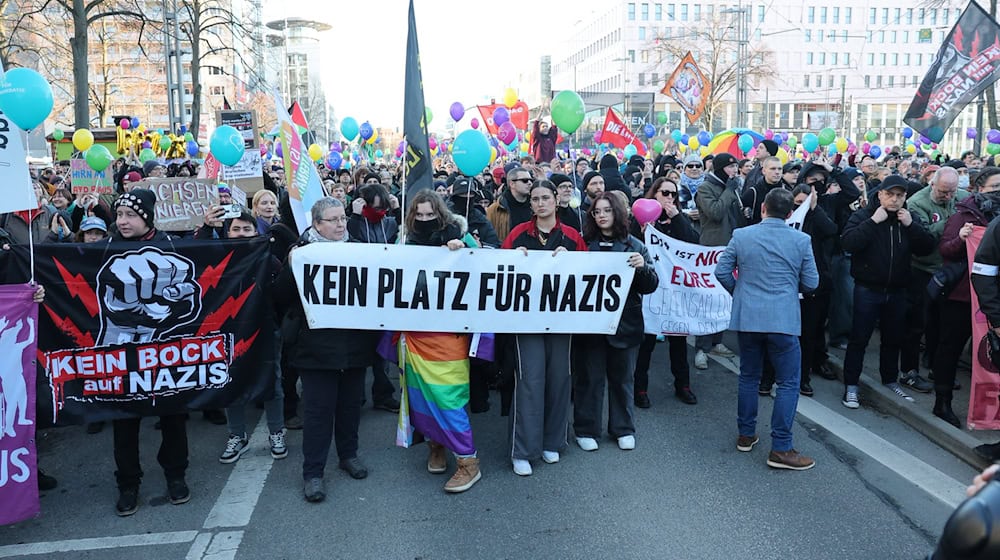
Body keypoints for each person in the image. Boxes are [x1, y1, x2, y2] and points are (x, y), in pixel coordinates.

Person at [277, 197, 376, 502]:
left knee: (349, 407)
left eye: (342, 219)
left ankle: (348, 455)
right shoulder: (301, 254)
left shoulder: (360, 248)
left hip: (354, 345)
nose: (339, 225)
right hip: (316, 348)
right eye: (332, 220)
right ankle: (313, 472)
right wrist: (290, 268)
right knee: (319, 413)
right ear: (316, 224)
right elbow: (279, 297)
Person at [715, 188, 819, 470]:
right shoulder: (800, 240)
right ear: (789, 214)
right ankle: (782, 447)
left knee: (749, 376)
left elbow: (721, 271)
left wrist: (741, 293)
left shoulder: (742, 235)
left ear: (762, 208)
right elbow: (811, 283)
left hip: (748, 317)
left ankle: (746, 434)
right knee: (787, 383)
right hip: (783, 319)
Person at [104, 189, 191, 516]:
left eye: (130, 215)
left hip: (165, 355)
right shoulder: (106, 248)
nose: (122, 221)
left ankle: (176, 476)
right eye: (120, 215)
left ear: (148, 217)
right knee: (124, 421)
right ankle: (128, 483)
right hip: (121, 355)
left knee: (173, 415)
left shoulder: (170, 246)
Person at [501, 180, 586, 476]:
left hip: (562, 321)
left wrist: (573, 261)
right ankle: (523, 450)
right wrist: (514, 259)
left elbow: (590, 276)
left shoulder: (573, 236)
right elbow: (499, 272)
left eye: (545, 198)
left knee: (559, 379)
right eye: (535, 199)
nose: (540, 203)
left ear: (556, 201)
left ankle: (553, 442)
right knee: (529, 380)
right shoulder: (517, 234)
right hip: (526, 322)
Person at [400, 191, 482, 493]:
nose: (424, 220)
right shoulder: (404, 240)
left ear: (440, 213)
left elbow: (486, 257)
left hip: (449, 334)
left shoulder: (458, 231)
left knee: (449, 398)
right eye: (418, 215)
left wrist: (464, 249)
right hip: (415, 334)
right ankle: (436, 445)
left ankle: (467, 462)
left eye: (429, 214)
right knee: (420, 396)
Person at [840, 175, 935, 409]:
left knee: (893, 339)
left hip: (898, 290)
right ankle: (851, 385)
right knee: (859, 339)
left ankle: (890, 380)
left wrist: (911, 226)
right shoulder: (864, 215)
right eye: (890, 194)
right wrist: (873, 222)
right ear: (880, 194)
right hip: (867, 289)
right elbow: (848, 243)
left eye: (899, 196)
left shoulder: (906, 218)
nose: (894, 200)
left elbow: (927, 247)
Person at [573, 192, 657, 452]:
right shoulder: (584, 244)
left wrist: (643, 267)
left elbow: (651, 285)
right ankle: (586, 428)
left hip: (626, 323)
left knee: (623, 379)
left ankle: (623, 428)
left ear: (617, 212)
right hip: (591, 325)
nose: (601, 216)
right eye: (597, 212)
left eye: (606, 210)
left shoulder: (635, 245)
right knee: (589, 378)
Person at [934, 167, 1000, 429]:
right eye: (994, 188)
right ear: (979, 189)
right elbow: (945, 250)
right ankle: (943, 400)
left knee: (990, 355)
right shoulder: (964, 215)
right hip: (962, 297)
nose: (998, 193)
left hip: (992, 302)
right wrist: (962, 240)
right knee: (950, 348)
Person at [632, 177, 700, 408]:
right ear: (654, 195)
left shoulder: (677, 220)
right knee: (647, 342)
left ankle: (683, 386)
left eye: (673, 194)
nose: (670, 198)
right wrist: (645, 230)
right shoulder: (642, 218)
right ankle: (639, 388)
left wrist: (677, 218)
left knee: (678, 343)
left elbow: (693, 243)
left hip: (674, 292)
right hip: (650, 290)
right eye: (665, 193)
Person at [693, 153, 744, 369]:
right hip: (712, 248)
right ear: (722, 168)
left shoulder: (732, 187)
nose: (735, 171)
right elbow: (715, 212)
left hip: (731, 245)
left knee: (723, 298)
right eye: (731, 167)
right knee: (708, 299)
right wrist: (730, 191)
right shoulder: (705, 188)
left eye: (736, 167)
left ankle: (717, 340)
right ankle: (701, 348)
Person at [486, 166, 534, 243]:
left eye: (531, 180)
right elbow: (491, 238)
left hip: (534, 252)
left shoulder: (535, 206)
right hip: (507, 252)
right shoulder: (495, 209)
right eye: (524, 180)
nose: (529, 183)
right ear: (512, 184)